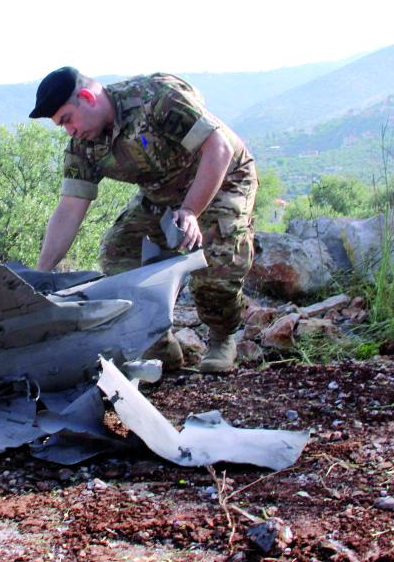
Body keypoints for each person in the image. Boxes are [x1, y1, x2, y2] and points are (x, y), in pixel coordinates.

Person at [29, 67, 257, 375]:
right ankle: (160, 347)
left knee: (214, 259)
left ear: (87, 97)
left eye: (67, 119)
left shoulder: (156, 98)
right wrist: (39, 278)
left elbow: (219, 148)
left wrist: (190, 211)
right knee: (119, 252)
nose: (68, 130)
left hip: (222, 176)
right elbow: (70, 209)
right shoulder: (83, 145)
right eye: (61, 125)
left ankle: (222, 336)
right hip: (161, 192)